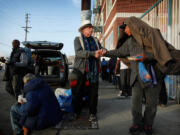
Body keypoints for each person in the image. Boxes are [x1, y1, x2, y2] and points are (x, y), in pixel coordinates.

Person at [103, 21, 163, 135]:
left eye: (126, 28)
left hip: (151, 74)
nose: (125, 31)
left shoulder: (150, 37)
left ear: (133, 27)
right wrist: (105, 52)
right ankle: (137, 123)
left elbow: (161, 52)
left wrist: (147, 56)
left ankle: (148, 124)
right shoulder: (130, 41)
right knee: (135, 102)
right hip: (136, 76)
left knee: (151, 102)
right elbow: (119, 52)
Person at [71, 19, 104, 122]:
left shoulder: (95, 40)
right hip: (81, 71)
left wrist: (103, 50)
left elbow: (101, 48)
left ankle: (93, 113)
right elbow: (79, 53)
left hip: (94, 71)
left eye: (91, 28)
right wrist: (93, 53)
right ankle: (76, 112)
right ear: (83, 29)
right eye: (89, 28)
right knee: (78, 93)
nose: (91, 29)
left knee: (93, 93)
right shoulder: (77, 39)